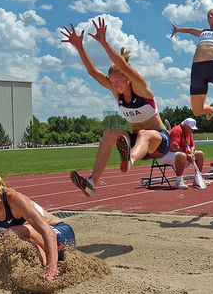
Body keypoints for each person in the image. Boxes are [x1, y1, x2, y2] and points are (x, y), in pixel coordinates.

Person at [61, 17, 170, 196]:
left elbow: (121, 65)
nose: (116, 85)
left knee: (144, 133)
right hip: (136, 142)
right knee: (109, 133)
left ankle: (129, 159)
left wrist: (104, 42)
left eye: (119, 81)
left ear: (128, 78)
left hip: (159, 142)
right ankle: (91, 183)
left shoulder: (143, 90)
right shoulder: (117, 93)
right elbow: (93, 72)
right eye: (112, 82)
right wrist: (79, 46)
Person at [0, 164, 76, 281]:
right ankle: (40, 263)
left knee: (11, 233)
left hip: (61, 237)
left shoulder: (14, 199)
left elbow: (49, 232)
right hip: (44, 241)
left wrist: (51, 268)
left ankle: (48, 267)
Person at [160, 118, 208, 189]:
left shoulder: (189, 132)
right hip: (167, 154)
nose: (192, 130)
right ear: (185, 126)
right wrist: (186, 154)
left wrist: (191, 152)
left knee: (200, 154)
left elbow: (192, 145)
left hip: (181, 154)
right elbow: (173, 147)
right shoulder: (177, 130)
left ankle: (197, 179)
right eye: (191, 128)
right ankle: (179, 181)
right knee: (182, 155)